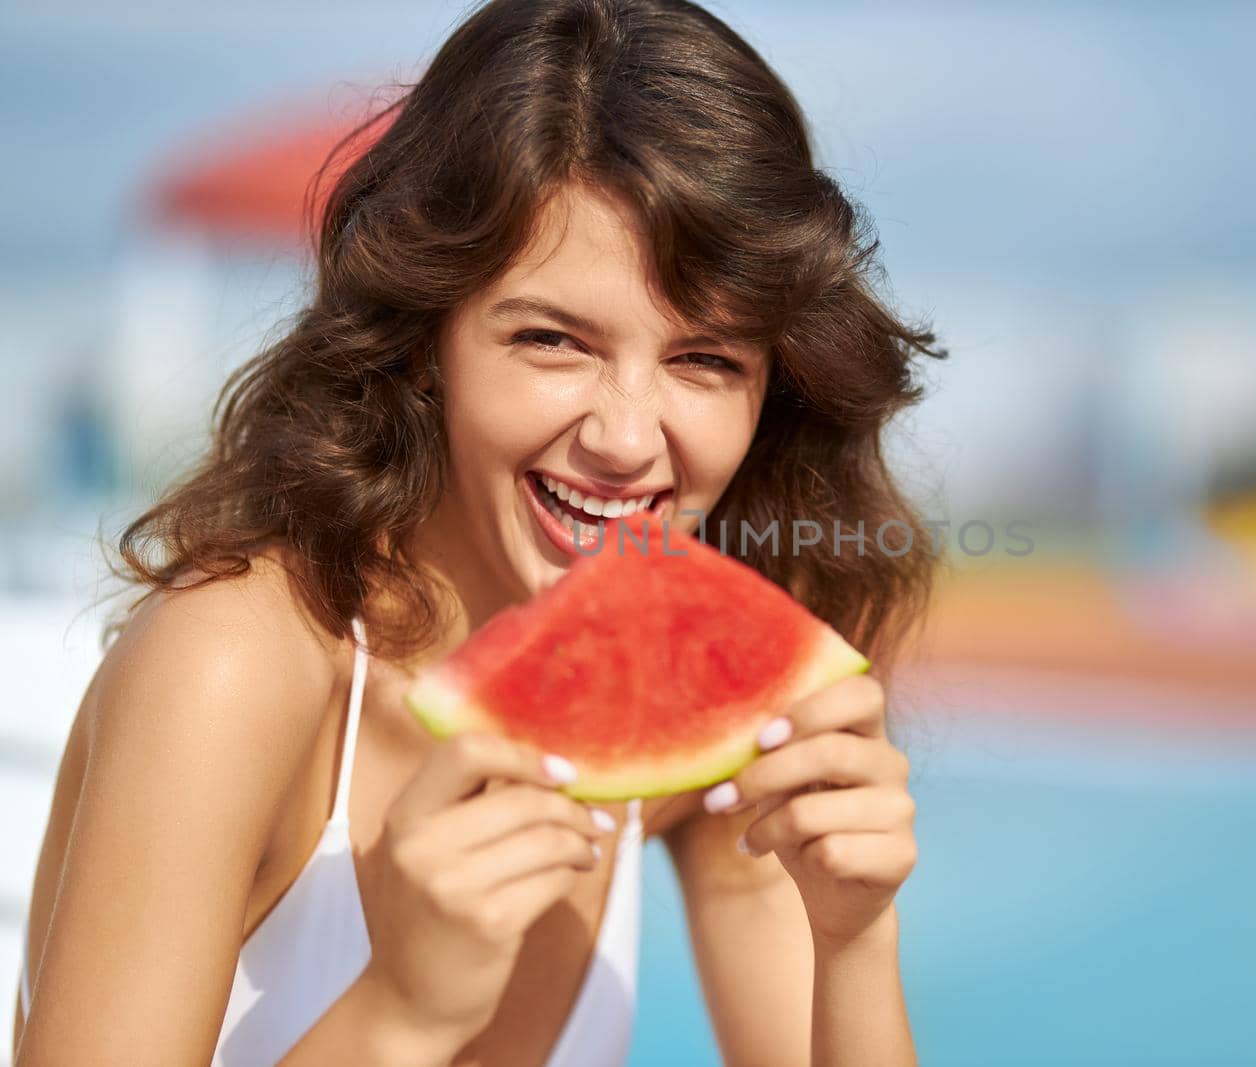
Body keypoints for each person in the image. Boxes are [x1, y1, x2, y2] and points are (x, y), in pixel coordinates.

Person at [13, 0, 946, 1063]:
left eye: (706, 359)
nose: (627, 436)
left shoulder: (709, 733)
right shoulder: (232, 663)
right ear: (427, 337)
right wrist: (404, 1005)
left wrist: (855, 938)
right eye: (553, 340)